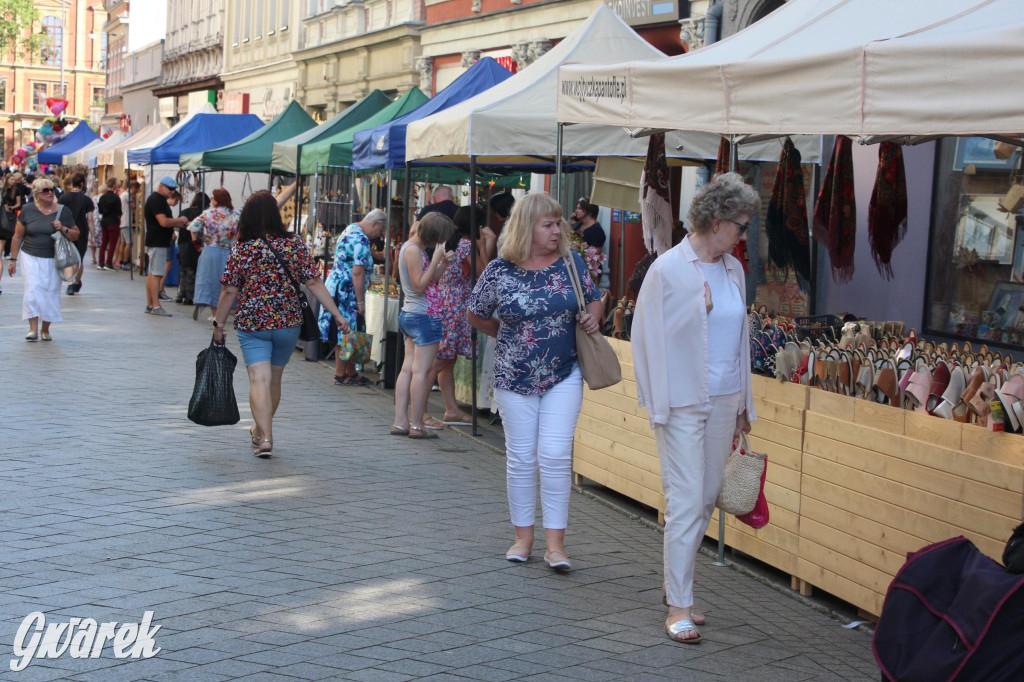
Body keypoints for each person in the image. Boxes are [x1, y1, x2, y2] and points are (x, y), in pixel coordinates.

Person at [630, 172, 758, 645]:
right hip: (681, 398)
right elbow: (645, 337)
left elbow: (739, 339)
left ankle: (674, 583)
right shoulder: (668, 269)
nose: (744, 236)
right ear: (718, 221)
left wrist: (745, 400)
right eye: (740, 226)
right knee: (686, 498)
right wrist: (693, 312)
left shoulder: (733, 270)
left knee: (706, 494)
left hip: (724, 397)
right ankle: (679, 604)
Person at [467, 193, 602, 571]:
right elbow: (475, 313)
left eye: (559, 223)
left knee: (556, 455)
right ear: (527, 227)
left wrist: (592, 318)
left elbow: (593, 300)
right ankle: (523, 537)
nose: (558, 230)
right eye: (549, 224)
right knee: (522, 458)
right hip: (513, 376)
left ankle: (555, 545)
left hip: (564, 371)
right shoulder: (499, 269)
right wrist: (505, 335)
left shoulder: (571, 263)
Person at [212, 191, 349, 458]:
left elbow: (229, 291)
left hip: (253, 324)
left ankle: (266, 436)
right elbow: (313, 282)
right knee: (274, 379)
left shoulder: (242, 247)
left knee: (258, 379)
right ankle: (260, 431)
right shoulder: (294, 244)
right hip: (288, 323)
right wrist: (337, 315)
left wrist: (219, 325)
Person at [423, 205, 496, 428]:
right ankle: (422, 411)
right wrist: (485, 246)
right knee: (439, 362)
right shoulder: (467, 246)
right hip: (455, 307)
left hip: (444, 302)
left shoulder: (449, 243)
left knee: (446, 361)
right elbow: (483, 276)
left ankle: (451, 409)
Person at [392, 212, 456, 439]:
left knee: (408, 368)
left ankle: (401, 421)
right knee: (421, 371)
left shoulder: (411, 249)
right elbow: (420, 286)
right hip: (424, 316)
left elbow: (431, 281)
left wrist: (441, 264)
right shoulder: (413, 251)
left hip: (412, 314)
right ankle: (416, 424)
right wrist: (437, 257)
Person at [317, 208, 387, 386]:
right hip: (347, 290)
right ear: (374, 224)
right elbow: (357, 272)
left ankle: (350, 371)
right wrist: (361, 300)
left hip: (337, 285)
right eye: (379, 231)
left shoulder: (349, 229)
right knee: (347, 331)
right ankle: (341, 374)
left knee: (351, 331)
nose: (378, 236)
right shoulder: (362, 239)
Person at [6, 178, 79, 340]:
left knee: (51, 292)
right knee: (32, 290)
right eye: (45, 190)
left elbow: (76, 234)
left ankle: (45, 329)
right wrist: (13, 260)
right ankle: (33, 329)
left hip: (54, 258)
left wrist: (64, 228)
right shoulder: (27, 210)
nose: (50, 193)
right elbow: (17, 237)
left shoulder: (63, 211)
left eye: (52, 189)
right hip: (30, 255)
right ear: (37, 194)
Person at [189, 188, 239, 321]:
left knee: (207, 281)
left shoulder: (208, 213)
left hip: (210, 250)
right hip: (228, 251)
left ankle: (210, 308)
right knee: (225, 283)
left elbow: (193, 227)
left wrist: (199, 240)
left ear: (216, 201)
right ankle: (221, 313)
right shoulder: (236, 215)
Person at [144, 176, 188, 316]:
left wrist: (180, 224)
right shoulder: (156, 200)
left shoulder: (158, 199)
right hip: (157, 241)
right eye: (170, 189)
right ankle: (156, 306)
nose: (172, 192)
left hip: (157, 240)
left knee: (153, 274)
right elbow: (163, 222)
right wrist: (179, 220)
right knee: (156, 274)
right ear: (161, 186)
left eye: (174, 190)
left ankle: (151, 304)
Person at [57, 172, 95, 295]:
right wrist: (93, 235)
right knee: (79, 258)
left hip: (66, 230)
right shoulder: (87, 199)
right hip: (82, 231)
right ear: (82, 184)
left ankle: (70, 284)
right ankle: (76, 282)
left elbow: (58, 214)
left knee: (69, 258)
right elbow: (90, 218)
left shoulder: (63, 198)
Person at [176, 192, 209, 305]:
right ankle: (189, 296)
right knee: (192, 270)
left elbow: (177, 226)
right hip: (192, 244)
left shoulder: (184, 211)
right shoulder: (201, 214)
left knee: (183, 269)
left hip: (181, 242)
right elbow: (195, 230)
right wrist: (203, 239)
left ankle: (180, 294)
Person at [96, 177, 122, 271]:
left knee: (104, 242)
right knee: (112, 243)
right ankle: (108, 262)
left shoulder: (102, 198)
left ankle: (101, 262)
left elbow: (100, 210)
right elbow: (119, 212)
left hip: (104, 221)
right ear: (114, 185)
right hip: (113, 221)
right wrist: (119, 220)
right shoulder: (116, 198)